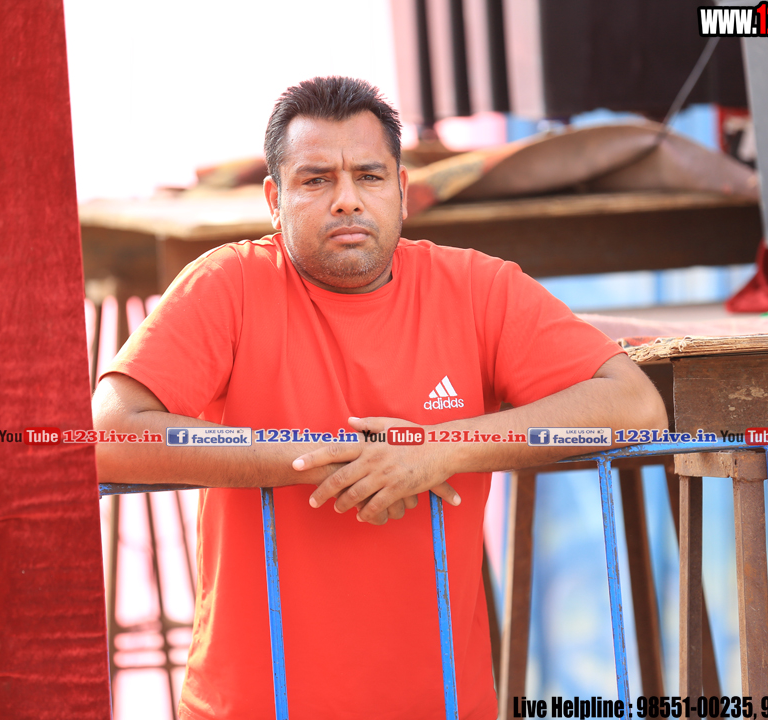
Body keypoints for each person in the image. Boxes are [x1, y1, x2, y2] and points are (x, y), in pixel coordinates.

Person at [93, 76, 667, 720]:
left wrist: (440, 449)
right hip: (256, 705)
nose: (347, 200)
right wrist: (323, 458)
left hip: (441, 704)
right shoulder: (228, 285)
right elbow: (107, 435)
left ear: (401, 190)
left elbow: (635, 406)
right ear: (275, 201)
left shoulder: (477, 287)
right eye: (316, 180)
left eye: (368, 176)